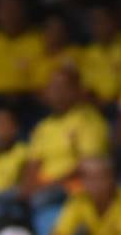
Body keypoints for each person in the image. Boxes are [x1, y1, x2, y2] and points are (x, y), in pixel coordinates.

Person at [23, 68, 110, 208]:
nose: (56, 93)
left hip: (72, 188)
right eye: (52, 87)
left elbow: (89, 167)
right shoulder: (44, 126)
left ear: (76, 91)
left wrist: (50, 185)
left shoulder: (88, 120)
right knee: (4, 199)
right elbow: (33, 164)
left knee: (39, 200)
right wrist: (28, 188)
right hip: (43, 187)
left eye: (62, 87)